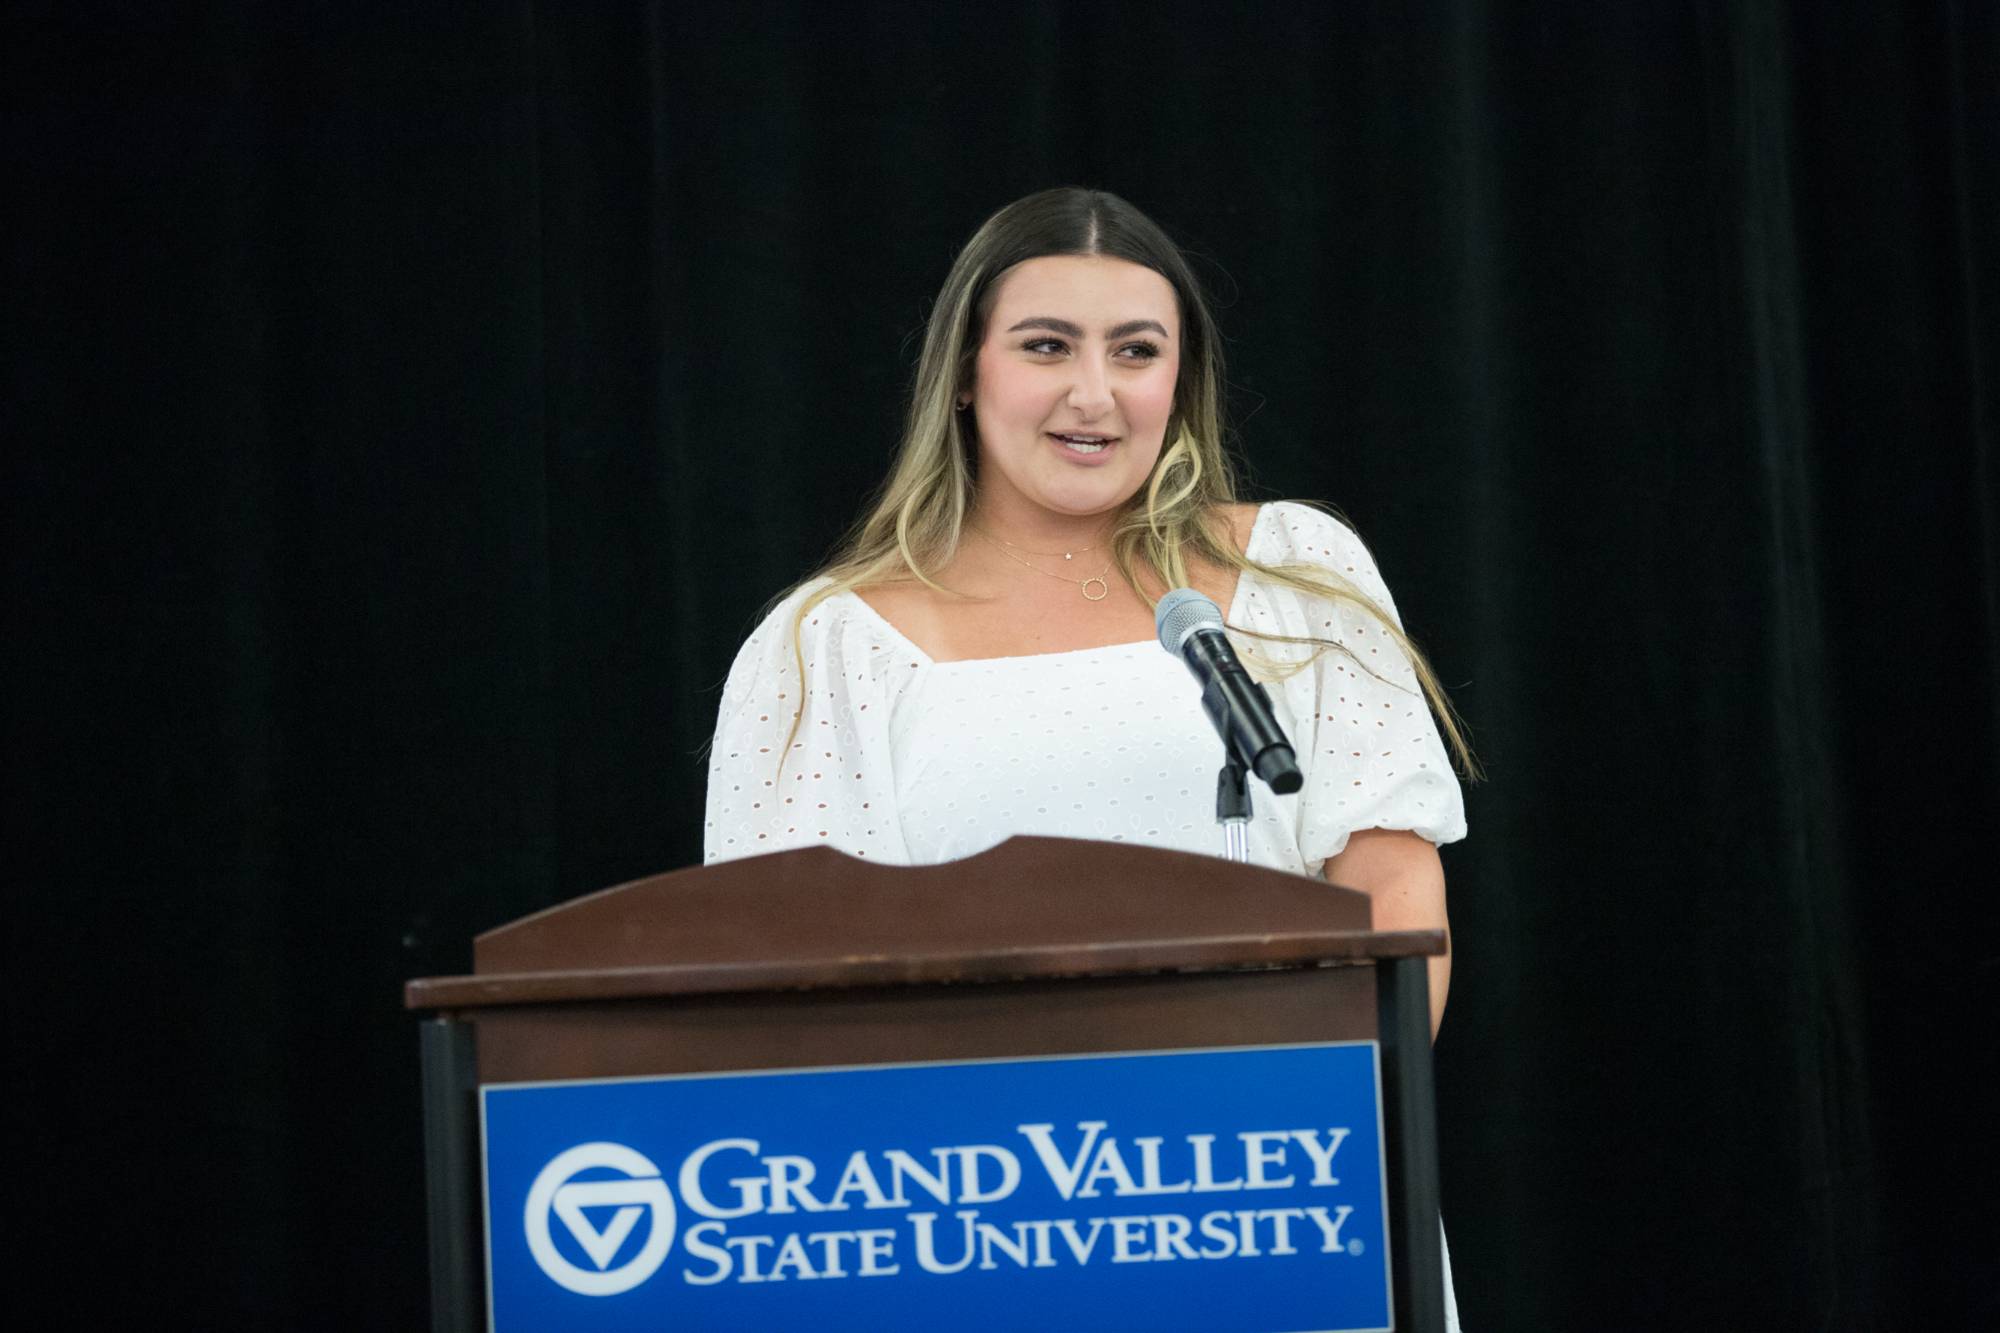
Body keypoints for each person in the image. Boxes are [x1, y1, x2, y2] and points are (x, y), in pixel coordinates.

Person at [702, 186, 1473, 1327]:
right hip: (977, 1229)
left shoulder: (1296, 568)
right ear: (965, 373)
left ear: (1180, 379)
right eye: (1045, 346)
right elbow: (781, 982)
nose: (1092, 393)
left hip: (1276, 1200)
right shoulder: (822, 644)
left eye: (1135, 350)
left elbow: (1392, 889)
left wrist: (1317, 1133)